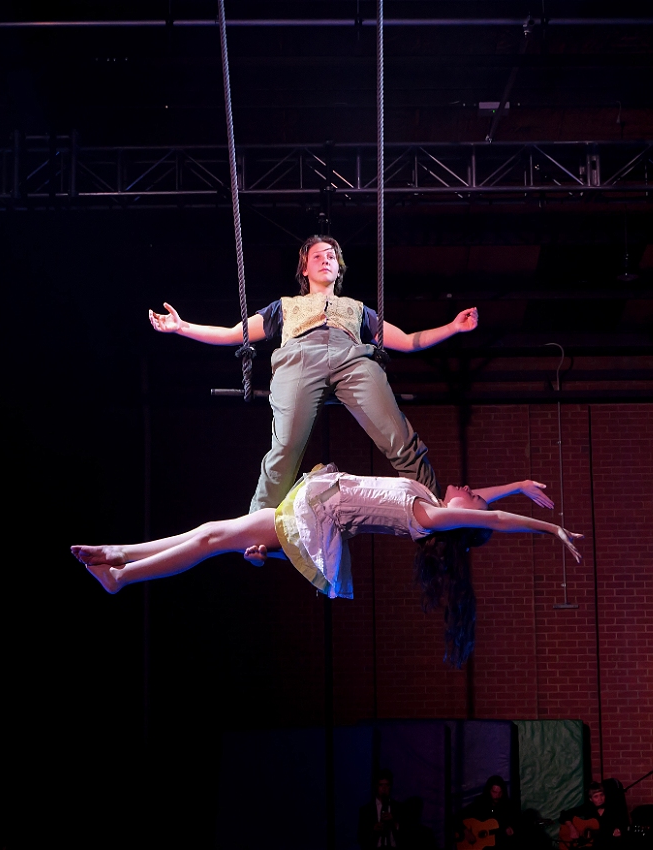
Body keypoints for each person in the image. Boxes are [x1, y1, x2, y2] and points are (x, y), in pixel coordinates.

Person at [71, 466, 581, 665]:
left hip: (313, 513)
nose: (470, 489)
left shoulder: (426, 514)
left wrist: (551, 529)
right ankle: (119, 560)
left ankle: (120, 575)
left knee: (210, 539)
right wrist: (516, 484)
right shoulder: (427, 496)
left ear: (457, 519)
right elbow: (482, 506)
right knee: (208, 535)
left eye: (471, 498)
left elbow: (490, 519)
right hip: (311, 502)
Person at [149, 234, 478, 512]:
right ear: (304, 268)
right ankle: (259, 525)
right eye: (317, 256)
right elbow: (236, 333)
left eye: (332, 256)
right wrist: (182, 327)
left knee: (400, 437)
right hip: (300, 358)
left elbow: (406, 341)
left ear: (339, 268)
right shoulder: (284, 307)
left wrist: (452, 327)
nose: (326, 260)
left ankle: (433, 509)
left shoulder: (357, 309)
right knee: (286, 445)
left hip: (352, 358)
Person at [559, 781, 628, 850]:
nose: (600, 799)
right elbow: (564, 814)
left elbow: (622, 824)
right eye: (596, 796)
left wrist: (618, 830)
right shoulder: (588, 808)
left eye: (602, 795)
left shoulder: (612, 808)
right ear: (590, 799)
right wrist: (571, 828)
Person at [455, 775, 518, 849]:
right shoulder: (479, 803)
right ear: (489, 791)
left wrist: (511, 828)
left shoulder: (507, 806)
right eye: (494, 792)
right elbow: (456, 817)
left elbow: (514, 822)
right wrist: (466, 831)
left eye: (500, 792)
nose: (497, 796)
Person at [357, 769, 403, 849]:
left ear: (390, 787)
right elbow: (361, 837)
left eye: (387, 785)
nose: (384, 789)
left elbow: (406, 834)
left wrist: (393, 823)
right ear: (376, 786)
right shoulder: (366, 810)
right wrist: (373, 829)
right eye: (381, 785)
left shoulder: (398, 807)